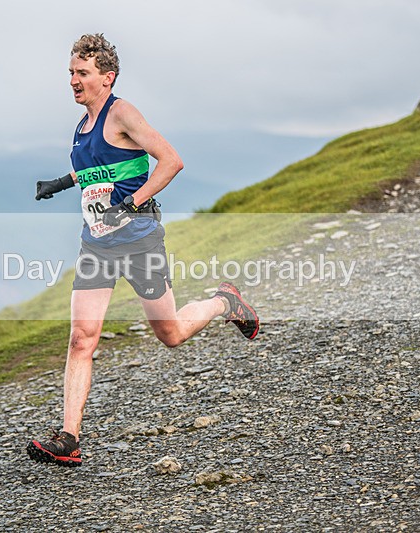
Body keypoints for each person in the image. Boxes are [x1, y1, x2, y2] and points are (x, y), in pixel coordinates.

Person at [26, 33, 259, 467]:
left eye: (82, 73)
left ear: (106, 77)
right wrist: (61, 182)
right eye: (70, 73)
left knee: (170, 334)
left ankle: (224, 301)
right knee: (81, 338)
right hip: (97, 242)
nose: (73, 81)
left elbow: (170, 160)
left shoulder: (123, 113)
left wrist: (129, 206)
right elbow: (105, 167)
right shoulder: (81, 126)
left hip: (139, 238)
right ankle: (69, 437)